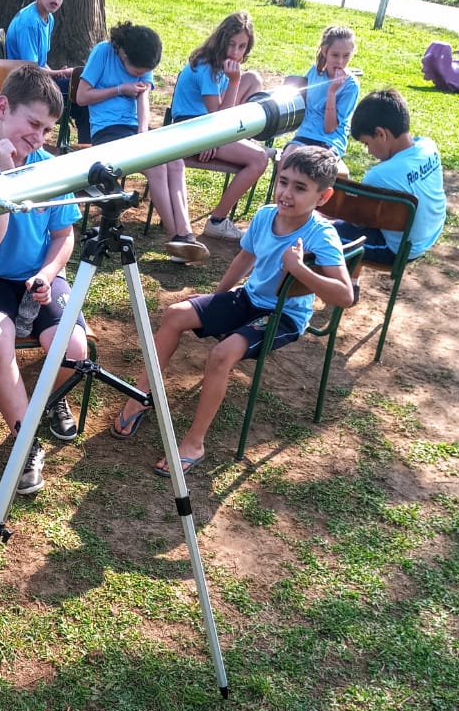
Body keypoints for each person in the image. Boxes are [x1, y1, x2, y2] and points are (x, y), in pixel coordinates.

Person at [110, 146, 353, 473]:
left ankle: (194, 444)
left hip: (284, 316)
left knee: (222, 355)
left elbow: (345, 295)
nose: (286, 193)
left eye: (300, 187)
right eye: (283, 181)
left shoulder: (321, 235)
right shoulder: (266, 215)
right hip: (248, 299)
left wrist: (300, 270)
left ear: (322, 197)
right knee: (175, 314)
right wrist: (215, 299)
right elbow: (244, 258)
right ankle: (139, 395)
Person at [0, 64, 91, 495]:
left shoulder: (49, 168)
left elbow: (63, 235)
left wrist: (48, 273)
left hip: (38, 276)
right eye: (33, 123)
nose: (38, 137)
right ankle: (24, 442)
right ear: (3, 107)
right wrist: (1, 172)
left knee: (75, 348)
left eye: (47, 129)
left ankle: (45, 403)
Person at [78, 22, 209, 264]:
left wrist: (142, 133)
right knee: (156, 166)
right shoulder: (103, 52)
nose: (139, 75)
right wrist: (119, 89)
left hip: (134, 129)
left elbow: (143, 99)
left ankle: (187, 235)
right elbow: (81, 96)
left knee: (176, 161)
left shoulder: (143, 59)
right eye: (135, 71)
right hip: (107, 131)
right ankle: (176, 239)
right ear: (123, 54)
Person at [169, 11, 272, 243]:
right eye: (231, 44)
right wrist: (214, 138)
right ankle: (217, 221)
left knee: (253, 79)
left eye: (242, 46)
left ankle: (241, 138)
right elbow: (219, 119)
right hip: (190, 129)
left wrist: (217, 136)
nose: (236, 52)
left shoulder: (225, 65)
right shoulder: (207, 67)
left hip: (210, 126)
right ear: (221, 40)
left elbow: (220, 118)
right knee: (259, 159)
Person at [331, 88, 446, 277]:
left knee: (319, 232)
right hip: (429, 235)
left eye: (367, 144)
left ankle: (331, 289)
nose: (368, 152)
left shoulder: (379, 175)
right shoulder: (428, 146)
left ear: (380, 134)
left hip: (394, 251)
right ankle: (352, 284)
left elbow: (358, 220)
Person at [3, 0, 89, 140]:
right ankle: (87, 151)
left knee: (82, 89)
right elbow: (31, 69)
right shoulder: (30, 23)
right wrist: (58, 73)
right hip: (26, 86)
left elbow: (41, 63)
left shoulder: (48, 18)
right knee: (84, 99)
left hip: (37, 80)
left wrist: (56, 74)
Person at [285, 25, 359, 162]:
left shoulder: (351, 85)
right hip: (306, 134)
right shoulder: (314, 72)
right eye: (335, 55)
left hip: (330, 141)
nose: (340, 62)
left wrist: (332, 91)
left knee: (315, 168)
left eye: (346, 55)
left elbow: (330, 128)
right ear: (325, 51)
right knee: (287, 161)